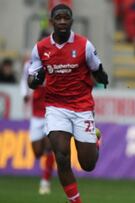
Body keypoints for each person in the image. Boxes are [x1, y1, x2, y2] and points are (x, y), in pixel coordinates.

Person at [27, 4, 108, 203]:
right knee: (61, 157)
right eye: (58, 18)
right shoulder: (40, 48)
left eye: (66, 18)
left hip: (82, 107)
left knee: (88, 164)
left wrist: (102, 77)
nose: (62, 21)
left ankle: (94, 141)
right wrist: (37, 78)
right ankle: (75, 200)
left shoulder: (84, 45)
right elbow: (31, 81)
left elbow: (97, 68)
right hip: (56, 107)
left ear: (71, 21)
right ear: (51, 21)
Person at [20, 31, 55, 195]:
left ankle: (45, 182)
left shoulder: (56, 63)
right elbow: (23, 80)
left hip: (52, 111)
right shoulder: (30, 64)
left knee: (50, 147)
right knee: (37, 152)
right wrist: (24, 94)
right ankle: (45, 176)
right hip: (36, 113)